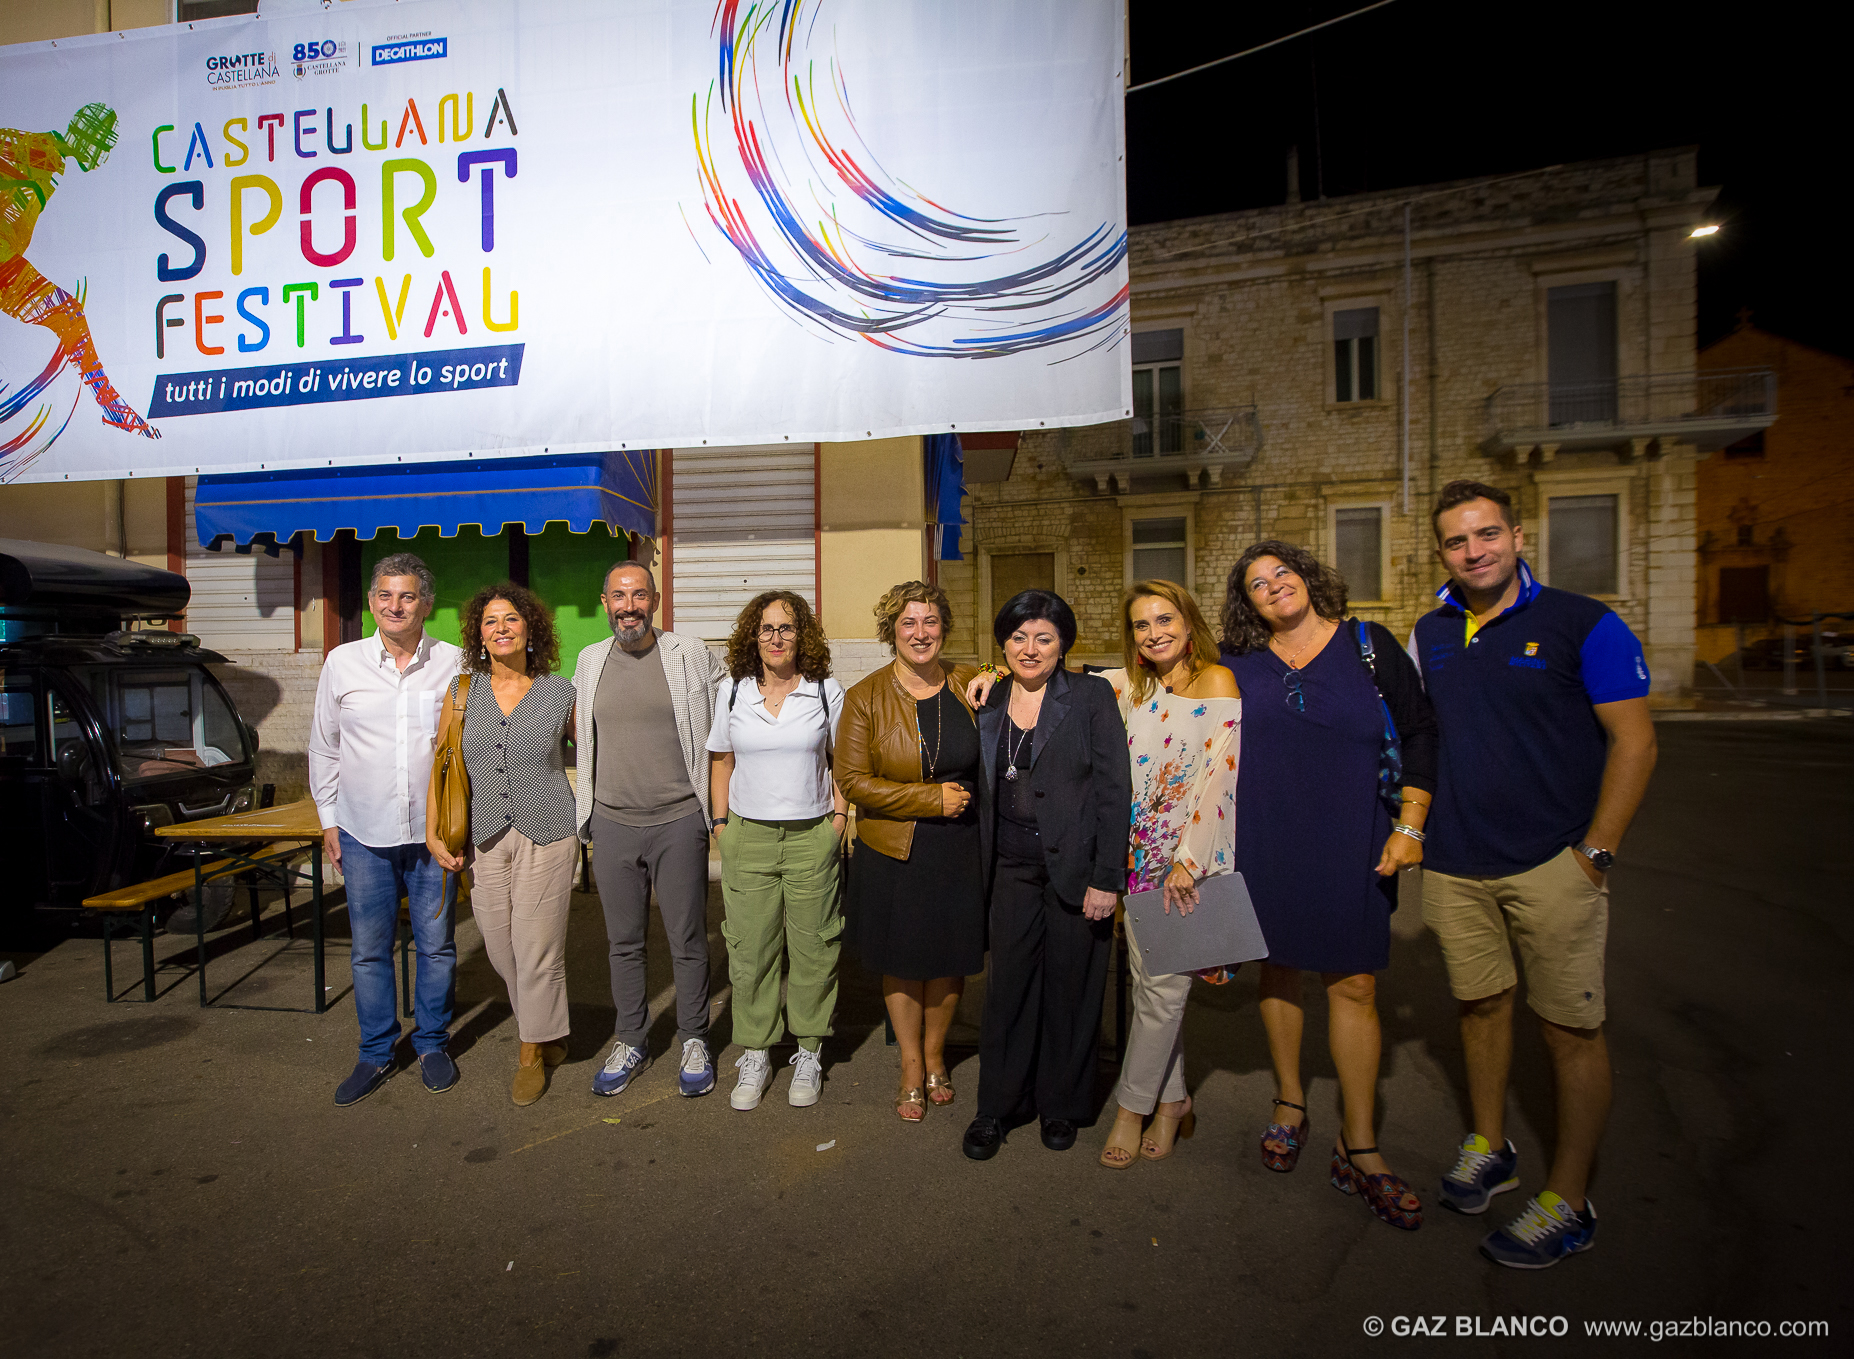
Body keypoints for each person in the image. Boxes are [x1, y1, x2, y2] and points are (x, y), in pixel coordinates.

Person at [1414, 480, 1657, 1269]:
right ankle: (1490, 1144)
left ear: (1519, 535)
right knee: (1481, 1007)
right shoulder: (1433, 630)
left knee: (1569, 1029)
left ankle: (1571, 1197)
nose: (1474, 550)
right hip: (1455, 863)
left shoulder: (1584, 622)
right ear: (1442, 551)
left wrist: (1596, 854)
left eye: (1487, 533)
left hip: (1554, 861)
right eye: (1457, 540)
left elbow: (1635, 742)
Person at [1219, 541, 1438, 1231]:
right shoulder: (1236, 661)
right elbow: (1150, 687)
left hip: (1355, 835)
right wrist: (985, 675)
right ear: (1247, 602)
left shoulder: (1368, 646)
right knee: (1278, 969)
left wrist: (1412, 825)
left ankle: (1360, 1139)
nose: (1274, 585)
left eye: (1282, 572)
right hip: (1265, 835)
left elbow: (1423, 731)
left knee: (1355, 983)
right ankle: (1290, 1101)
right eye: (1257, 582)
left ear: (1308, 579)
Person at [960, 591, 1129, 1161]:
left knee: (1072, 989)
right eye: (1017, 638)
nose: (1029, 649)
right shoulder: (988, 696)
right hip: (1009, 868)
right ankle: (997, 1107)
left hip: (1078, 872)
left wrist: (1108, 877)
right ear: (1003, 644)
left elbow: (1113, 791)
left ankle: (1061, 1104)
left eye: (1044, 638)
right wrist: (984, 671)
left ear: (1063, 646)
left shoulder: (1090, 696)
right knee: (1006, 991)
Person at [308, 553, 463, 1106]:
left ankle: (432, 1043)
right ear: (372, 601)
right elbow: (324, 748)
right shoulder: (341, 663)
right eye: (384, 596)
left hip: (433, 837)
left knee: (437, 947)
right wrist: (329, 821)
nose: (394, 606)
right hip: (362, 832)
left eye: (407, 596)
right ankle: (376, 1052)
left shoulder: (456, 662)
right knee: (369, 952)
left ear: (427, 603)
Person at [1096, 581, 1241, 1169]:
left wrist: (1191, 857)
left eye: (1164, 619)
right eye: (1140, 624)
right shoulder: (1135, 686)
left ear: (1187, 622)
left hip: (1185, 862)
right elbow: (1056, 677)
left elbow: (1221, 774)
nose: (1154, 632)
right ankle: (1175, 1101)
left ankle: (1132, 1111)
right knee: (1150, 985)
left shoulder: (1217, 681)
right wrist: (987, 674)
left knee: (1161, 992)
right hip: (1136, 857)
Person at [573, 561, 727, 1100]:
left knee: (687, 939)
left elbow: (732, 709)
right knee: (623, 943)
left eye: (639, 595)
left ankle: (693, 1038)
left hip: (679, 819)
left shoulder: (690, 654)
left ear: (655, 600)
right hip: (612, 824)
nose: (629, 605)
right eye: (619, 596)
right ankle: (632, 1038)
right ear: (605, 602)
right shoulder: (590, 660)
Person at [426, 583, 578, 1107]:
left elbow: (600, 752)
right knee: (498, 945)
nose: (501, 628)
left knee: (537, 949)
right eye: (490, 622)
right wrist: (434, 830)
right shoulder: (461, 692)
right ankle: (551, 1029)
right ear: (479, 636)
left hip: (550, 829)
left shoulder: (561, 692)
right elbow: (443, 764)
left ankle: (529, 1051)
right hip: (487, 834)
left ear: (530, 628)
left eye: (511, 619)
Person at [836, 581, 982, 1122]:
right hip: (894, 846)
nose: (920, 633)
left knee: (950, 959)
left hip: (960, 844)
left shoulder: (970, 682)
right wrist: (929, 800)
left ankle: (939, 1054)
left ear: (944, 628)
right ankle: (911, 1067)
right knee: (901, 960)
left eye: (930, 622)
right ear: (892, 631)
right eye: (908, 623)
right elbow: (852, 781)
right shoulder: (865, 696)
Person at [706, 591, 847, 1111]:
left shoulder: (826, 691)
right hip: (748, 836)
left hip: (812, 834)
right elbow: (721, 762)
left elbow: (842, 762)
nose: (776, 637)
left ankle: (808, 1050)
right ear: (753, 635)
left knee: (814, 948)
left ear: (802, 634)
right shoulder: (732, 691)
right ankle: (757, 1051)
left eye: (786, 627)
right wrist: (721, 825)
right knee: (751, 950)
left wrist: (838, 818)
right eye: (766, 628)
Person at [0, 104, 157, 438]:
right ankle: (111, 405)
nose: (103, 153)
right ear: (86, 135)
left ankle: (111, 405)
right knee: (68, 313)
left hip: (6, 266)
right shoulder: (35, 147)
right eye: (103, 143)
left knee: (69, 314)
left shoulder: (52, 159)